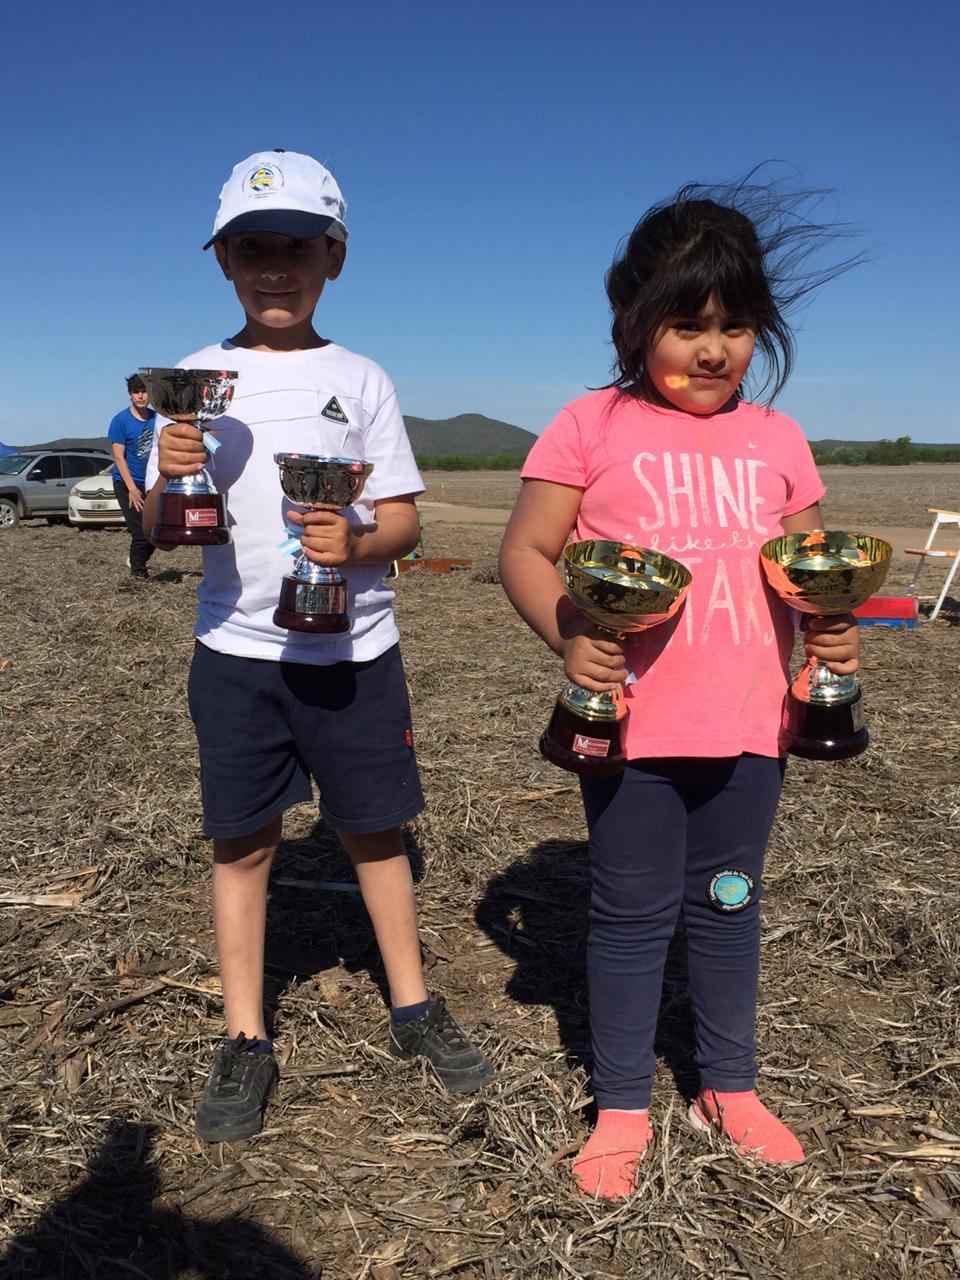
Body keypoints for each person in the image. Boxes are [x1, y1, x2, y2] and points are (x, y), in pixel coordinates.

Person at [499, 180, 860, 1200]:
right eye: (687, 324)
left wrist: (828, 640)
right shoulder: (590, 423)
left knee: (731, 900)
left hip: (752, 725)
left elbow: (811, 570)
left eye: (736, 326)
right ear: (634, 321)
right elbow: (525, 551)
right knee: (627, 912)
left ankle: (727, 1083)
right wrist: (569, 631)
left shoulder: (778, 441)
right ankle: (619, 1102)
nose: (713, 349)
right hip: (634, 728)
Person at [142, 149, 492, 1143]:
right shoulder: (197, 381)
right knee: (242, 841)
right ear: (223, 260)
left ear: (334, 255)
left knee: (375, 829)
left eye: (296, 243)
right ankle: (246, 1035)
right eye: (252, 245)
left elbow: (406, 524)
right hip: (235, 656)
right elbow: (170, 530)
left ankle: (414, 1006)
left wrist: (360, 538)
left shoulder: (363, 377)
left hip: (353, 654)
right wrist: (170, 472)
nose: (274, 263)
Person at [109, 374, 156, 579]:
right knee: (140, 532)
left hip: (151, 481)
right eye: (136, 392)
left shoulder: (157, 419)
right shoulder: (120, 421)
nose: (140, 396)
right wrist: (132, 489)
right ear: (130, 395)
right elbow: (119, 457)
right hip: (127, 482)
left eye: (144, 391)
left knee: (156, 531)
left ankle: (137, 559)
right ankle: (139, 575)